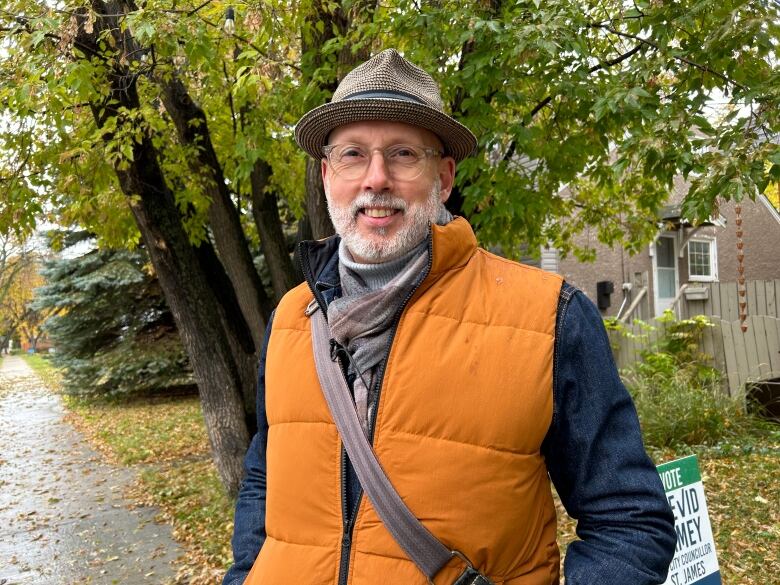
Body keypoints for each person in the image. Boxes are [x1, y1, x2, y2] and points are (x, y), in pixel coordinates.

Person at [223, 49, 676, 585]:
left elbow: (629, 520)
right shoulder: (292, 318)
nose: (376, 179)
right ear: (326, 175)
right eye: (352, 154)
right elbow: (264, 476)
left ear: (443, 178)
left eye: (402, 154)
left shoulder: (549, 318)